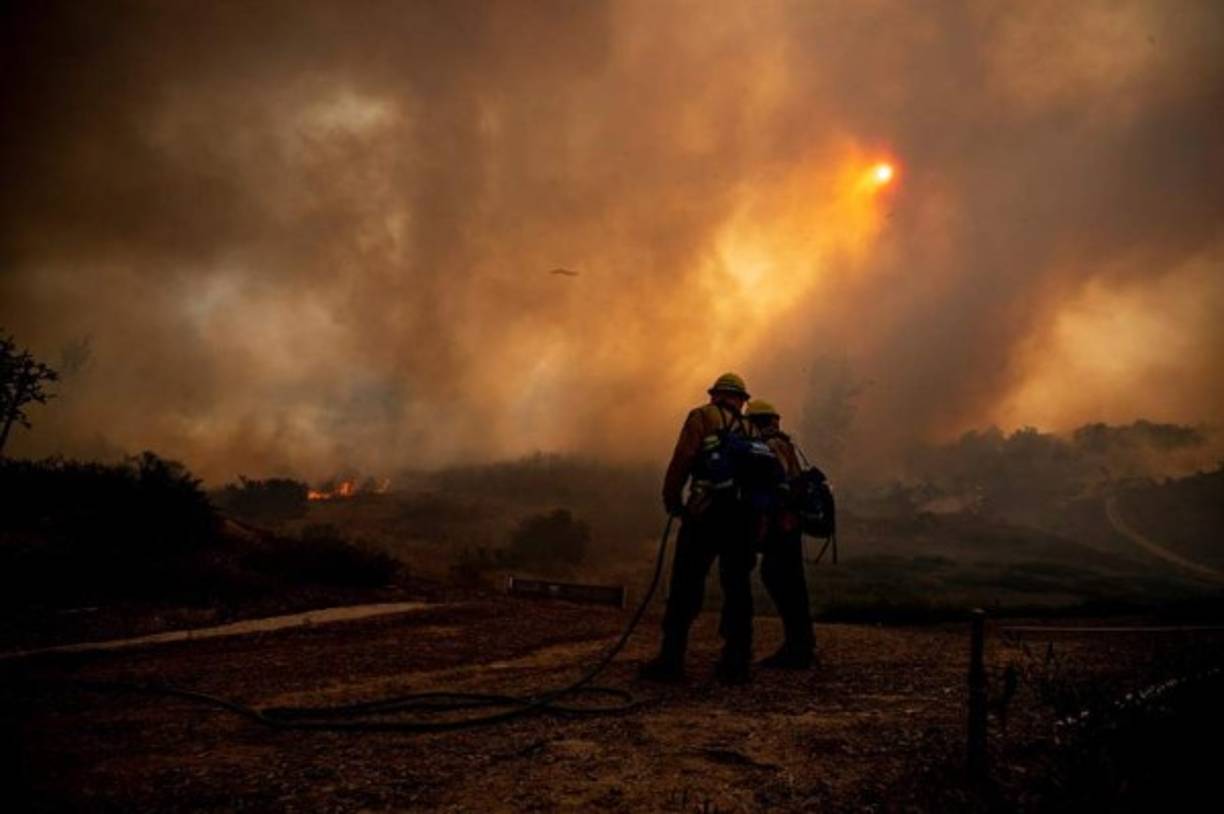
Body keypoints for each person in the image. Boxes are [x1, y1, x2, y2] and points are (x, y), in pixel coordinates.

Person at [640, 372, 758, 685]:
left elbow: (683, 459)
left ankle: (671, 661)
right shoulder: (751, 429)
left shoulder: (701, 416)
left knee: (685, 585)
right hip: (741, 518)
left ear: (714, 395)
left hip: (705, 514)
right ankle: (736, 663)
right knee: (737, 589)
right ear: (741, 400)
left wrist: (672, 499)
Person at [744, 399, 815, 669]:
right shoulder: (785, 443)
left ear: (754, 422)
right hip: (790, 524)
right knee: (793, 584)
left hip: (780, 524)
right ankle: (801, 645)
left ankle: (797, 649)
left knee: (778, 578)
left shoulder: (769, 447)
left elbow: (778, 488)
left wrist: (763, 522)